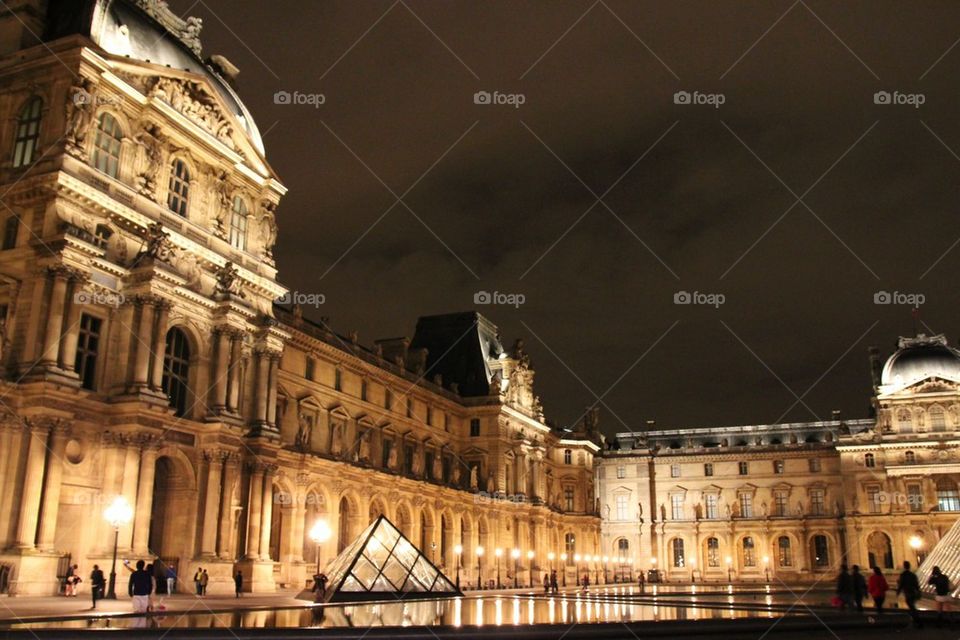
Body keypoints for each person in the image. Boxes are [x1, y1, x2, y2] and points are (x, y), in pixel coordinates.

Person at [896, 561, 922, 628]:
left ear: (904, 566)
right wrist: (918, 592)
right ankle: (915, 621)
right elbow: (916, 584)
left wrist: (898, 591)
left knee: (912, 607)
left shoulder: (903, 575)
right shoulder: (913, 575)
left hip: (908, 593)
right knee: (912, 606)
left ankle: (917, 621)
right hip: (913, 592)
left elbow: (901, 584)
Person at [128, 560, 153, 627]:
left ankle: (136, 626)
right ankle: (142, 626)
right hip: (144, 594)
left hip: (136, 593)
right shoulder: (147, 574)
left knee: (136, 611)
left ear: (137, 566)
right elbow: (150, 584)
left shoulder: (134, 574)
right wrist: (149, 592)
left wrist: (130, 592)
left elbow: (130, 584)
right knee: (143, 611)